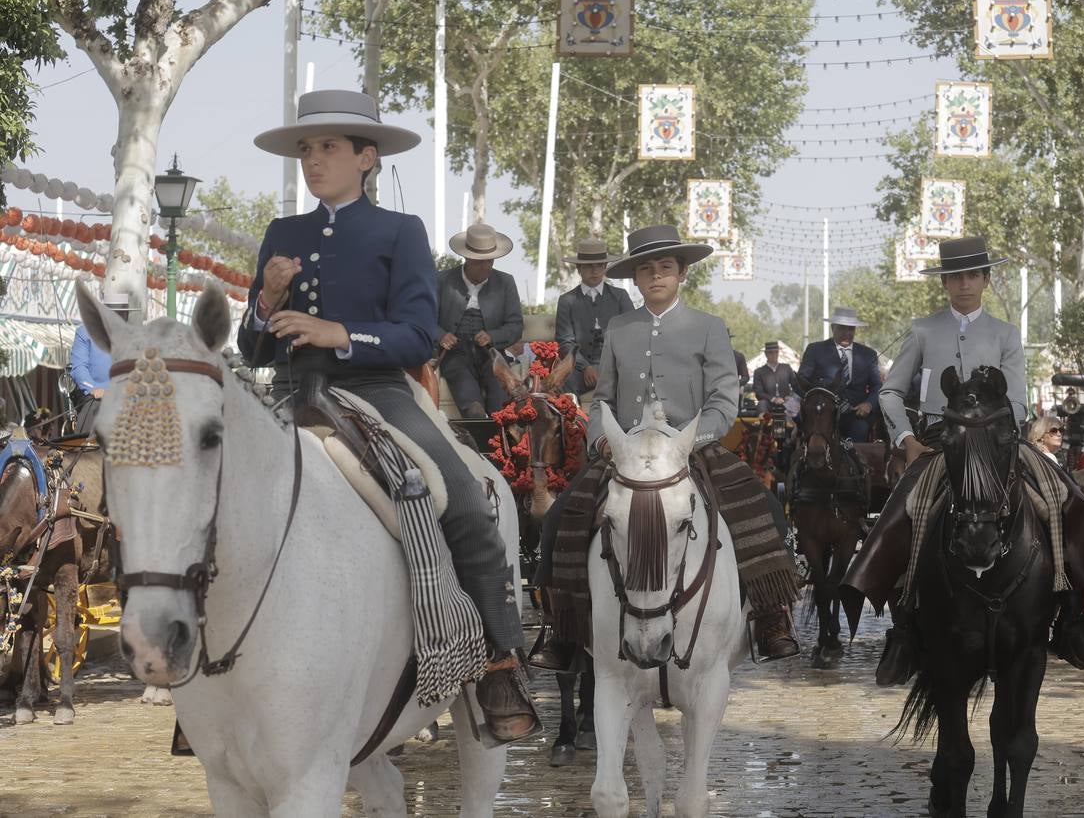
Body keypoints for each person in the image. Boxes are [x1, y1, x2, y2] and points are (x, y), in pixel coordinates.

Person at [239, 89, 538, 742]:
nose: (312, 160)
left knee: (465, 501)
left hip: (377, 391)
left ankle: (499, 658)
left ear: (366, 157)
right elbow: (251, 348)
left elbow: (417, 336)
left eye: (328, 147)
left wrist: (339, 333)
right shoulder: (282, 235)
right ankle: (208, 680)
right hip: (288, 393)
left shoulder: (400, 232)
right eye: (306, 149)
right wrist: (265, 302)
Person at [529, 224, 800, 670]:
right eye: (647, 269)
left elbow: (723, 400)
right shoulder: (620, 328)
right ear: (635, 278)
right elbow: (603, 400)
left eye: (666, 267)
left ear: (682, 273)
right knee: (562, 515)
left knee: (764, 505)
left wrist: (689, 440)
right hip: (626, 452)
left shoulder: (709, 327)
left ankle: (772, 616)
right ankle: (562, 628)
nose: (656, 275)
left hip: (692, 447)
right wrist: (604, 439)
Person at [854, 235, 1084, 685]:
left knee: (1055, 496)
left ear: (986, 279)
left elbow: (1020, 401)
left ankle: (1071, 613)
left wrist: (999, 430)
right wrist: (907, 439)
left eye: (973, 275)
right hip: (939, 443)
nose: (964, 284)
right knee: (906, 509)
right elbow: (890, 393)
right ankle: (904, 626)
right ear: (944, 282)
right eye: (956, 277)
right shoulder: (922, 330)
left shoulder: (1007, 333)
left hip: (998, 443)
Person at [437, 223, 523, 419]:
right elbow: (424, 319)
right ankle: (475, 417)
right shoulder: (442, 281)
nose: (486, 267)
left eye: (490, 261)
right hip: (454, 353)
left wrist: (492, 336)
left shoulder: (505, 282)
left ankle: (499, 425)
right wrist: (441, 335)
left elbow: (516, 326)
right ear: (467, 258)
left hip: (491, 353)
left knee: (499, 397)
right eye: (479, 262)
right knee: (468, 396)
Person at [553, 238, 633, 395]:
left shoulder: (620, 296)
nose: (594, 271)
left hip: (615, 366)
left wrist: (608, 366)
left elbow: (630, 335)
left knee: (632, 379)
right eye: (589, 266)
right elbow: (565, 341)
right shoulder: (567, 300)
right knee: (564, 382)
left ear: (605, 267)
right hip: (579, 368)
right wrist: (585, 367)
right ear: (579, 268)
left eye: (599, 265)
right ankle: (572, 411)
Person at [796, 307, 883, 443]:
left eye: (851, 329)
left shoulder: (868, 354)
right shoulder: (815, 350)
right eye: (842, 328)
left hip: (856, 417)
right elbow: (800, 381)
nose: (847, 333)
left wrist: (869, 404)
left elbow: (877, 386)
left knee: (861, 429)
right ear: (833, 328)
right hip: (821, 415)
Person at [70, 293, 133, 435]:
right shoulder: (84, 333)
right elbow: (79, 367)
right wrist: (94, 389)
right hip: (95, 398)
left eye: (122, 314)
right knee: (90, 421)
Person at [753, 340, 797, 415]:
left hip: (786, 400)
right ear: (766, 354)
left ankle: (794, 422)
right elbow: (759, 392)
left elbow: (796, 386)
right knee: (761, 405)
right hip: (768, 402)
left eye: (776, 352)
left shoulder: (786, 368)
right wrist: (773, 399)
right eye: (771, 353)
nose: (774, 355)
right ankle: (765, 422)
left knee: (795, 405)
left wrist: (791, 396)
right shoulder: (759, 372)